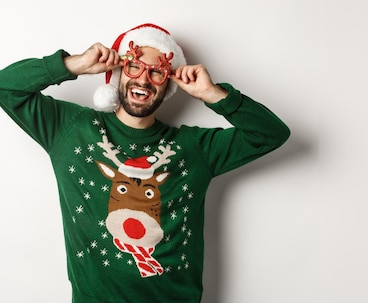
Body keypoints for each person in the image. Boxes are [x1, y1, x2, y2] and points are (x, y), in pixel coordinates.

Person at [0, 23, 290, 302]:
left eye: (157, 73)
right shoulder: (71, 130)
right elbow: (5, 87)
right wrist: (73, 64)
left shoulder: (194, 148)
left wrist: (213, 94)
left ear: (169, 83)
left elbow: (271, 134)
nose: (143, 79)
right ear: (118, 73)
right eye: (135, 65)